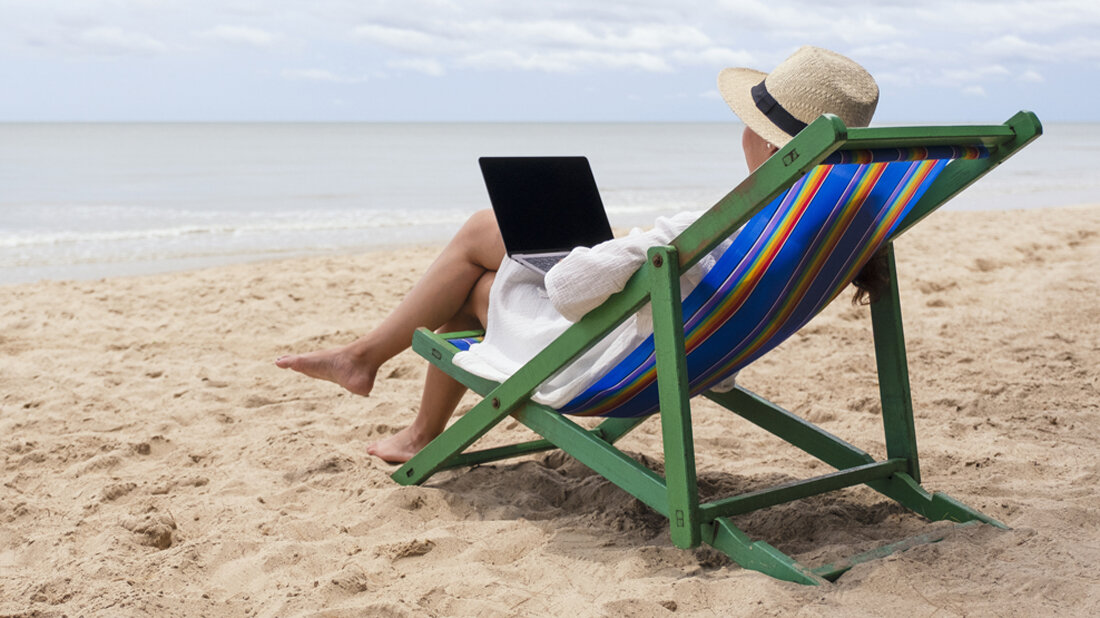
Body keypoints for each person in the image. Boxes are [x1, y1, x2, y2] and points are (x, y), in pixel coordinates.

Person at [276, 46, 880, 463]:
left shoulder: (723, 221)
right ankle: (403, 413)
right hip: (685, 349)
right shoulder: (842, 220)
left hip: (604, 363)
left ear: (762, 138)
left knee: (480, 247)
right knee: (484, 262)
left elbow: (569, 292)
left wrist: (605, 253)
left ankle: (370, 367)